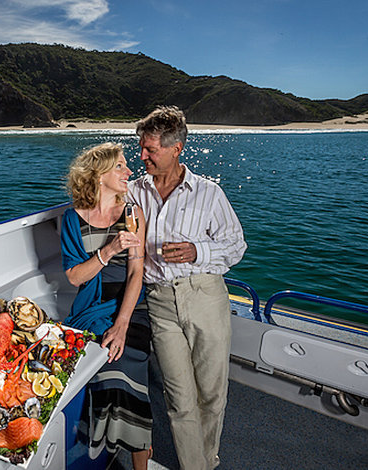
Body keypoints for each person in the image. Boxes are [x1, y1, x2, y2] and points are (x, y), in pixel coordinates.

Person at [127, 106, 247, 470]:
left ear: (176, 148)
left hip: (205, 296)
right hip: (160, 302)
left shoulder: (209, 193)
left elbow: (236, 246)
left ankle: (206, 461)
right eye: (141, 147)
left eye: (150, 149)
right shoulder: (133, 192)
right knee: (179, 399)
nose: (142, 156)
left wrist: (198, 251)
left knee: (211, 393)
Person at [60, 142, 153, 470]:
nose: (129, 171)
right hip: (91, 306)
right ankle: (102, 450)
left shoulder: (133, 214)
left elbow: (137, 273)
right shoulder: (73, 219)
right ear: (99, 175)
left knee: (124, 366)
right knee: (97, 365)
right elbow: (75, 277)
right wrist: (109, 250)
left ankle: (141, 456)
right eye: (120, 166)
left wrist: (122, 324)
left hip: (130, 306)